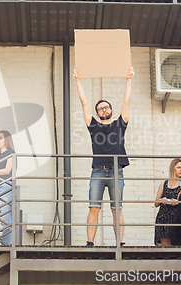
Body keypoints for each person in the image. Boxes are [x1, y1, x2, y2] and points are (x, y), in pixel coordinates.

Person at [73, 67, 134, 247]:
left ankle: (119, 243)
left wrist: (129, 78)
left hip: (117, 171)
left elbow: (127, 100)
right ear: (97, 113)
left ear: (111, 110)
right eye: (100, 109)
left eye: (106, 107)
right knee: (94, 207)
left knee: (117, 208)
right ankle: (90, 243)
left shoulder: (120, 125)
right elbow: (84, 104)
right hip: (98, 171)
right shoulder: (94, 127)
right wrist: (78, 81)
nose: (103, 110)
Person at [154, 158, 181, 246]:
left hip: (177, 218)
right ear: (173, 168)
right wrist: (161, 200)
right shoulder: (164, 184)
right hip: (164, 218)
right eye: (179, 167)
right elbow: (156, 204)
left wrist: (178, 202)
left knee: (177, 247)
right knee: (166, 249)